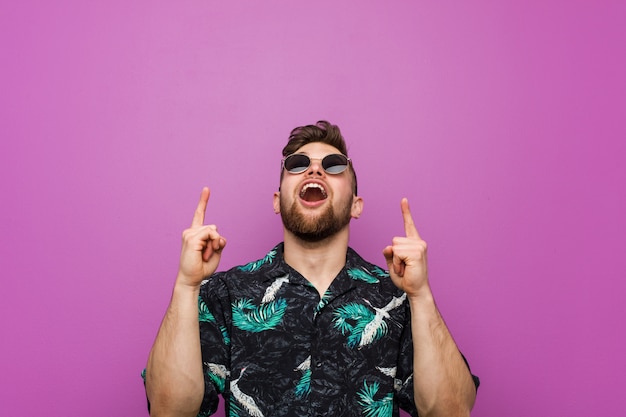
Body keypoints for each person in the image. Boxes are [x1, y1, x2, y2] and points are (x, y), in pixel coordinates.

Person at [144, 121, 479, 417]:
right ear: (277, 200)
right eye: (298, 164)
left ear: (356, 205)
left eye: (334, 166)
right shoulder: (226, 295)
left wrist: (420, 295)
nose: (315, 171)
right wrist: (186, 286)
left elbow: (451, 411)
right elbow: (169, 410)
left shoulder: (396, 299)